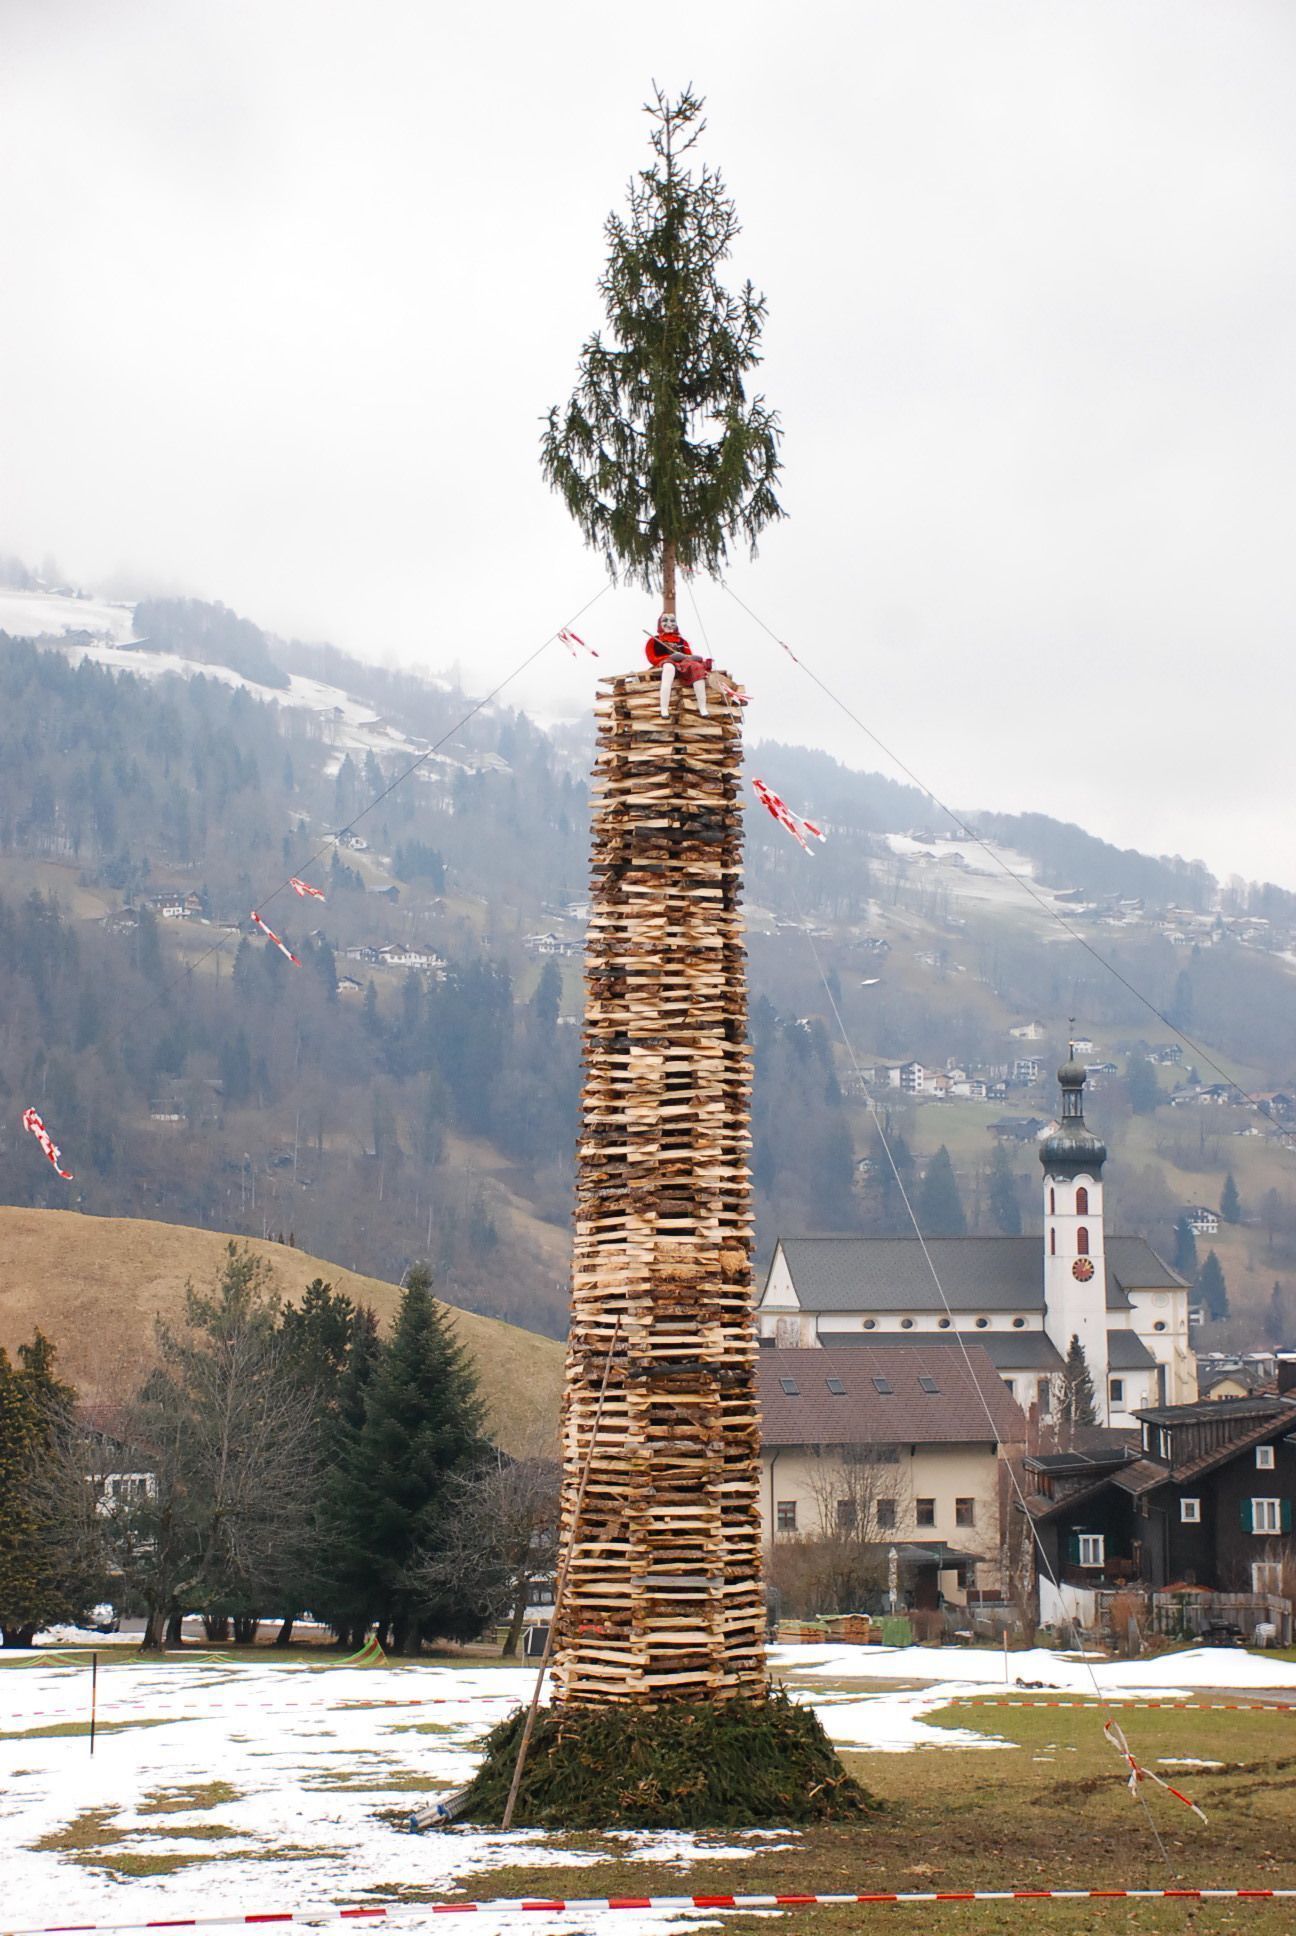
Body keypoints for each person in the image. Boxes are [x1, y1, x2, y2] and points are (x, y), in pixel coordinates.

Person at [644, 613, 712, 716]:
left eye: (672, 621)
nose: (669, 624)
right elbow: (652, 658)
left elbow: (688, 655)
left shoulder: (682, 641)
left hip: (682, 664)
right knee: (669, 668)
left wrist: (689, 658)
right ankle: (664, 708)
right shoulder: (654, 640)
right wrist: (669, 658)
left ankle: (702, 707)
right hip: (665, 663)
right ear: (659, 624)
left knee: (697, 667)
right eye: (665, 621)